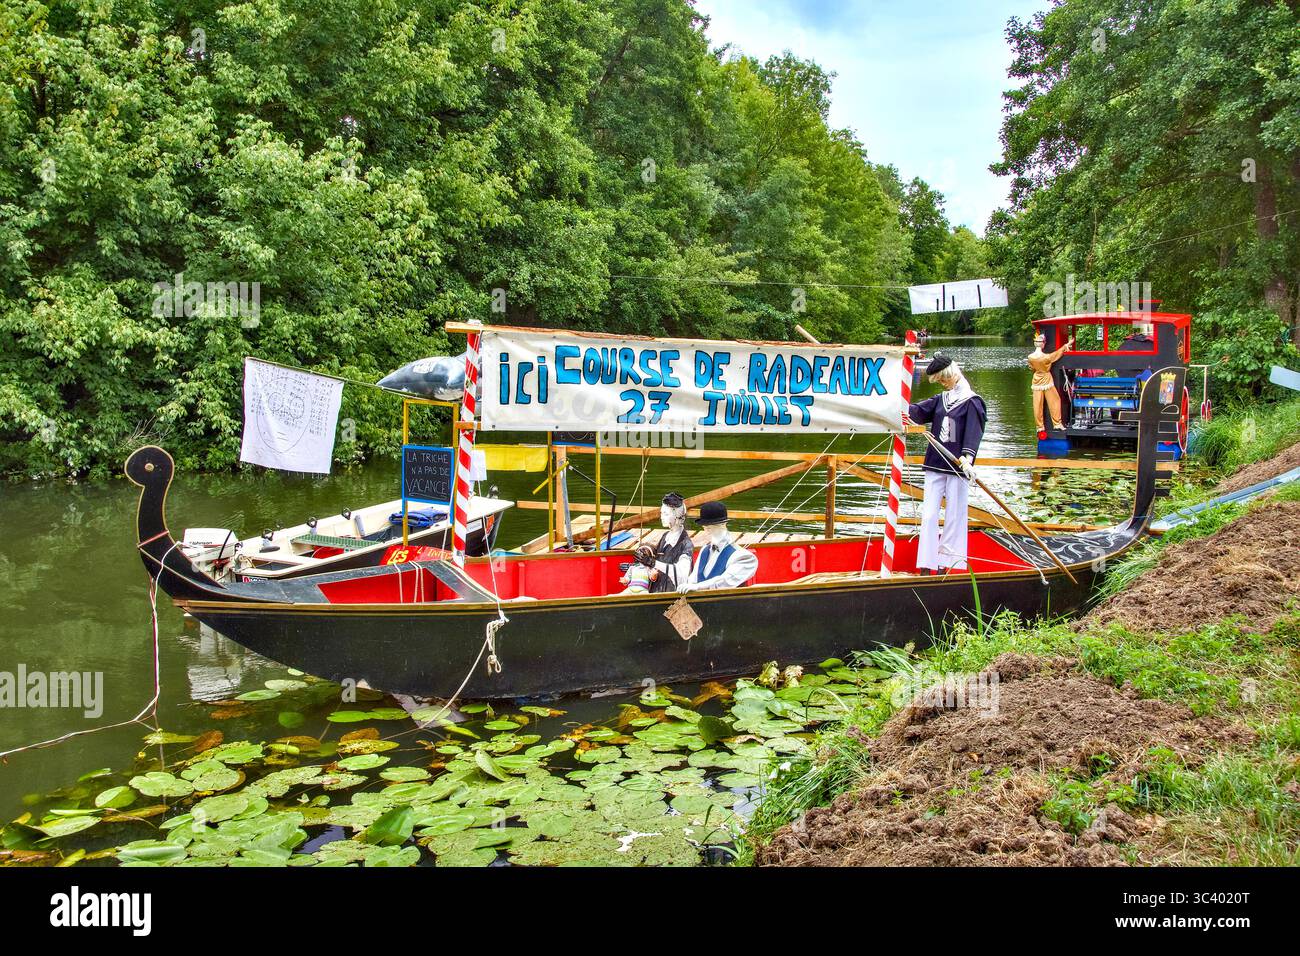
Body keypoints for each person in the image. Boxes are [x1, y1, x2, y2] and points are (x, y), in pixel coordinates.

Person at [906, 354, 987, 573]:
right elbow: (916, 412)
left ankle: (947, 564)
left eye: (943, 379)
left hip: (958, 466)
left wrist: (968, 459)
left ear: (951, 374)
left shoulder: (973, 402)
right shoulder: (941, 400)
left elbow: (973, 433)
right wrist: (897, 407)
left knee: (955, 515)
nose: (942, 384)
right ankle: (926, 563)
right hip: (935, 462)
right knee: (929, 515)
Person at [679, 502, 758, 592]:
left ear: (723, 525)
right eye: (705, 527)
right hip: (697, 604)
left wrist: (698, 587)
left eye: (711, 527)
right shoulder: (704, 550)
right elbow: (692, 580)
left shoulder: (744, 557)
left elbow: (725, 581)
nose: (707, 531)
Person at [1027, 331, 1073, 438]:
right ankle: (1057, 423)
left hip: (1036, 380)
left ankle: (1039, 426)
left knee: (1037, 404)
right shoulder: (1046, 357)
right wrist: (1066, 345)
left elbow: (1032, 368)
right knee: (1055, 400)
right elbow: (1057, 354)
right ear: (1043, 344)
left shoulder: (1030, 357)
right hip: (1046, 379)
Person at [649, 492, 694, 593]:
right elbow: (657, 559)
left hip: (672, 594)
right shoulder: (665, 536)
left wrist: (653, 563)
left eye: (665, 514)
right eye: (661, 513)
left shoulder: (686, 544)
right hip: (658, 589)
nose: (661, 517)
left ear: (677, 516)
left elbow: (682, 574)